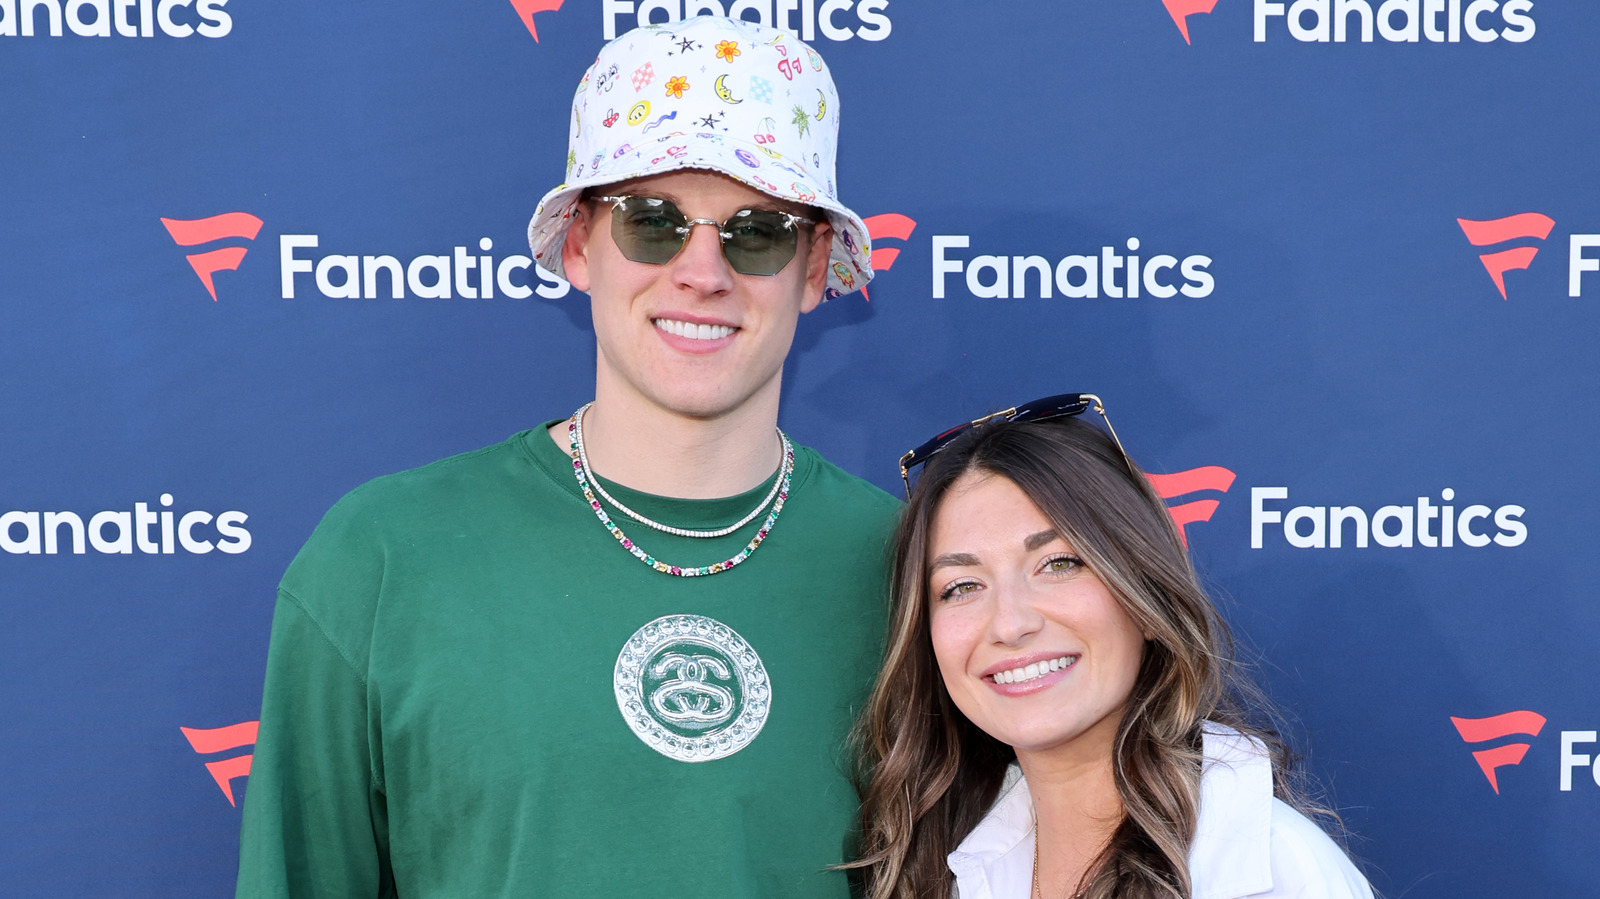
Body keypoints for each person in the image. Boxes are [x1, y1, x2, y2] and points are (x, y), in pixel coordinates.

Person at [235, 15, 898, 898]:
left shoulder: (917, 572)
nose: (703, 271)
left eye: (757, 231)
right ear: (581, 244)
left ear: (813, 267)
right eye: (652, 222)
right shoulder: (382, 559)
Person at [849, 396, 1373, 899]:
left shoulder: (1282, 875)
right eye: (961, 586)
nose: (1009, 624)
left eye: (1058, 563)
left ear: (1144, 595)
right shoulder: (954, 864)